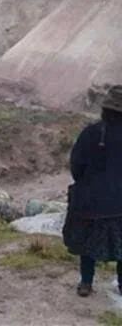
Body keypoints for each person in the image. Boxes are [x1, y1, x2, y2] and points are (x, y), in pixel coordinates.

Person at [63, 85, 122, 297]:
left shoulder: (90, 133)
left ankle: (86, 283)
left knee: (87, 245)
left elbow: (76, 165)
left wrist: (86, 184)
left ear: (105, 109)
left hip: (90, 201)